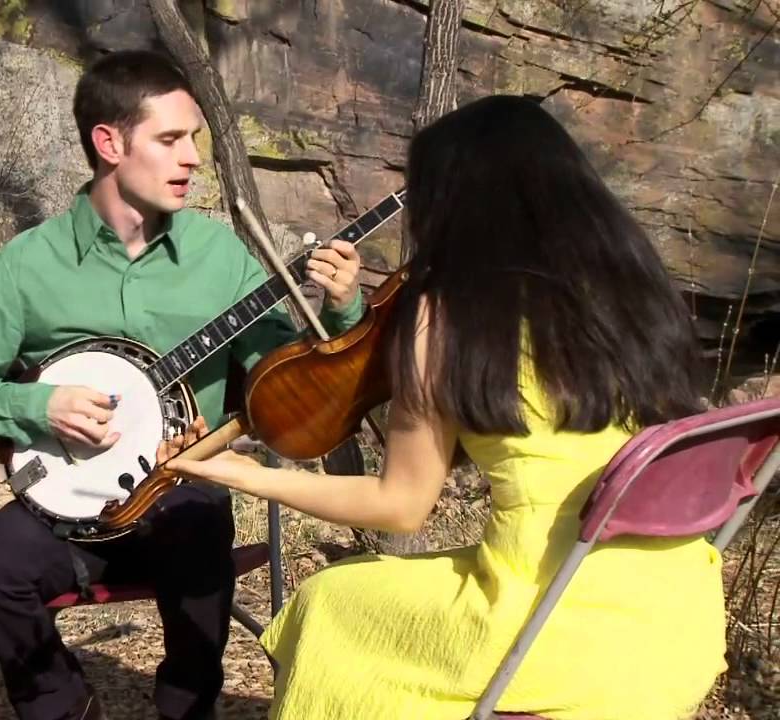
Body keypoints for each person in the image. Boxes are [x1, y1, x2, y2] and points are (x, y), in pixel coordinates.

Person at [165, 94, 726, 719]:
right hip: (678, 627)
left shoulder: (449, 314)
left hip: (548, 633)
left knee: (327, 602)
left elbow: (399, 507)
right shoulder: (637, 293)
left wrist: (240, 472)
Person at [0, 49, 365, 720]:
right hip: (68, 511)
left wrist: (341, 309)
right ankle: (64, 705)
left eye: (194, 139)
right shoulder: (28, 264)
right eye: (170, 139)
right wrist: (38, 407)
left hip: (183, 495)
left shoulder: (220, 257)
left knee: (197, 523)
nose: (192, 158)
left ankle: (188, 707)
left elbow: (294, 379)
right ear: (109, 143)